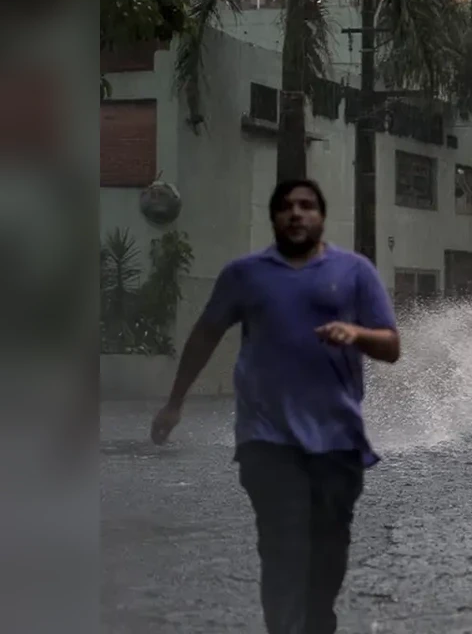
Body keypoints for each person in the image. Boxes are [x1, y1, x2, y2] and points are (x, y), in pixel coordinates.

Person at [150, 179, 399, 634]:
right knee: (283, 548)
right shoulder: (244, 275)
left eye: (306, 206)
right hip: (266, 439)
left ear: (321, 217)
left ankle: (318, 622)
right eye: (286, 207)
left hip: (338, 441)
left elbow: (391, 346)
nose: (296, 213)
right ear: (274, 218)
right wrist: (174, 403)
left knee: (327, 555)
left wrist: (356, 334)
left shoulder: (355, 271)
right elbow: (205, 335)